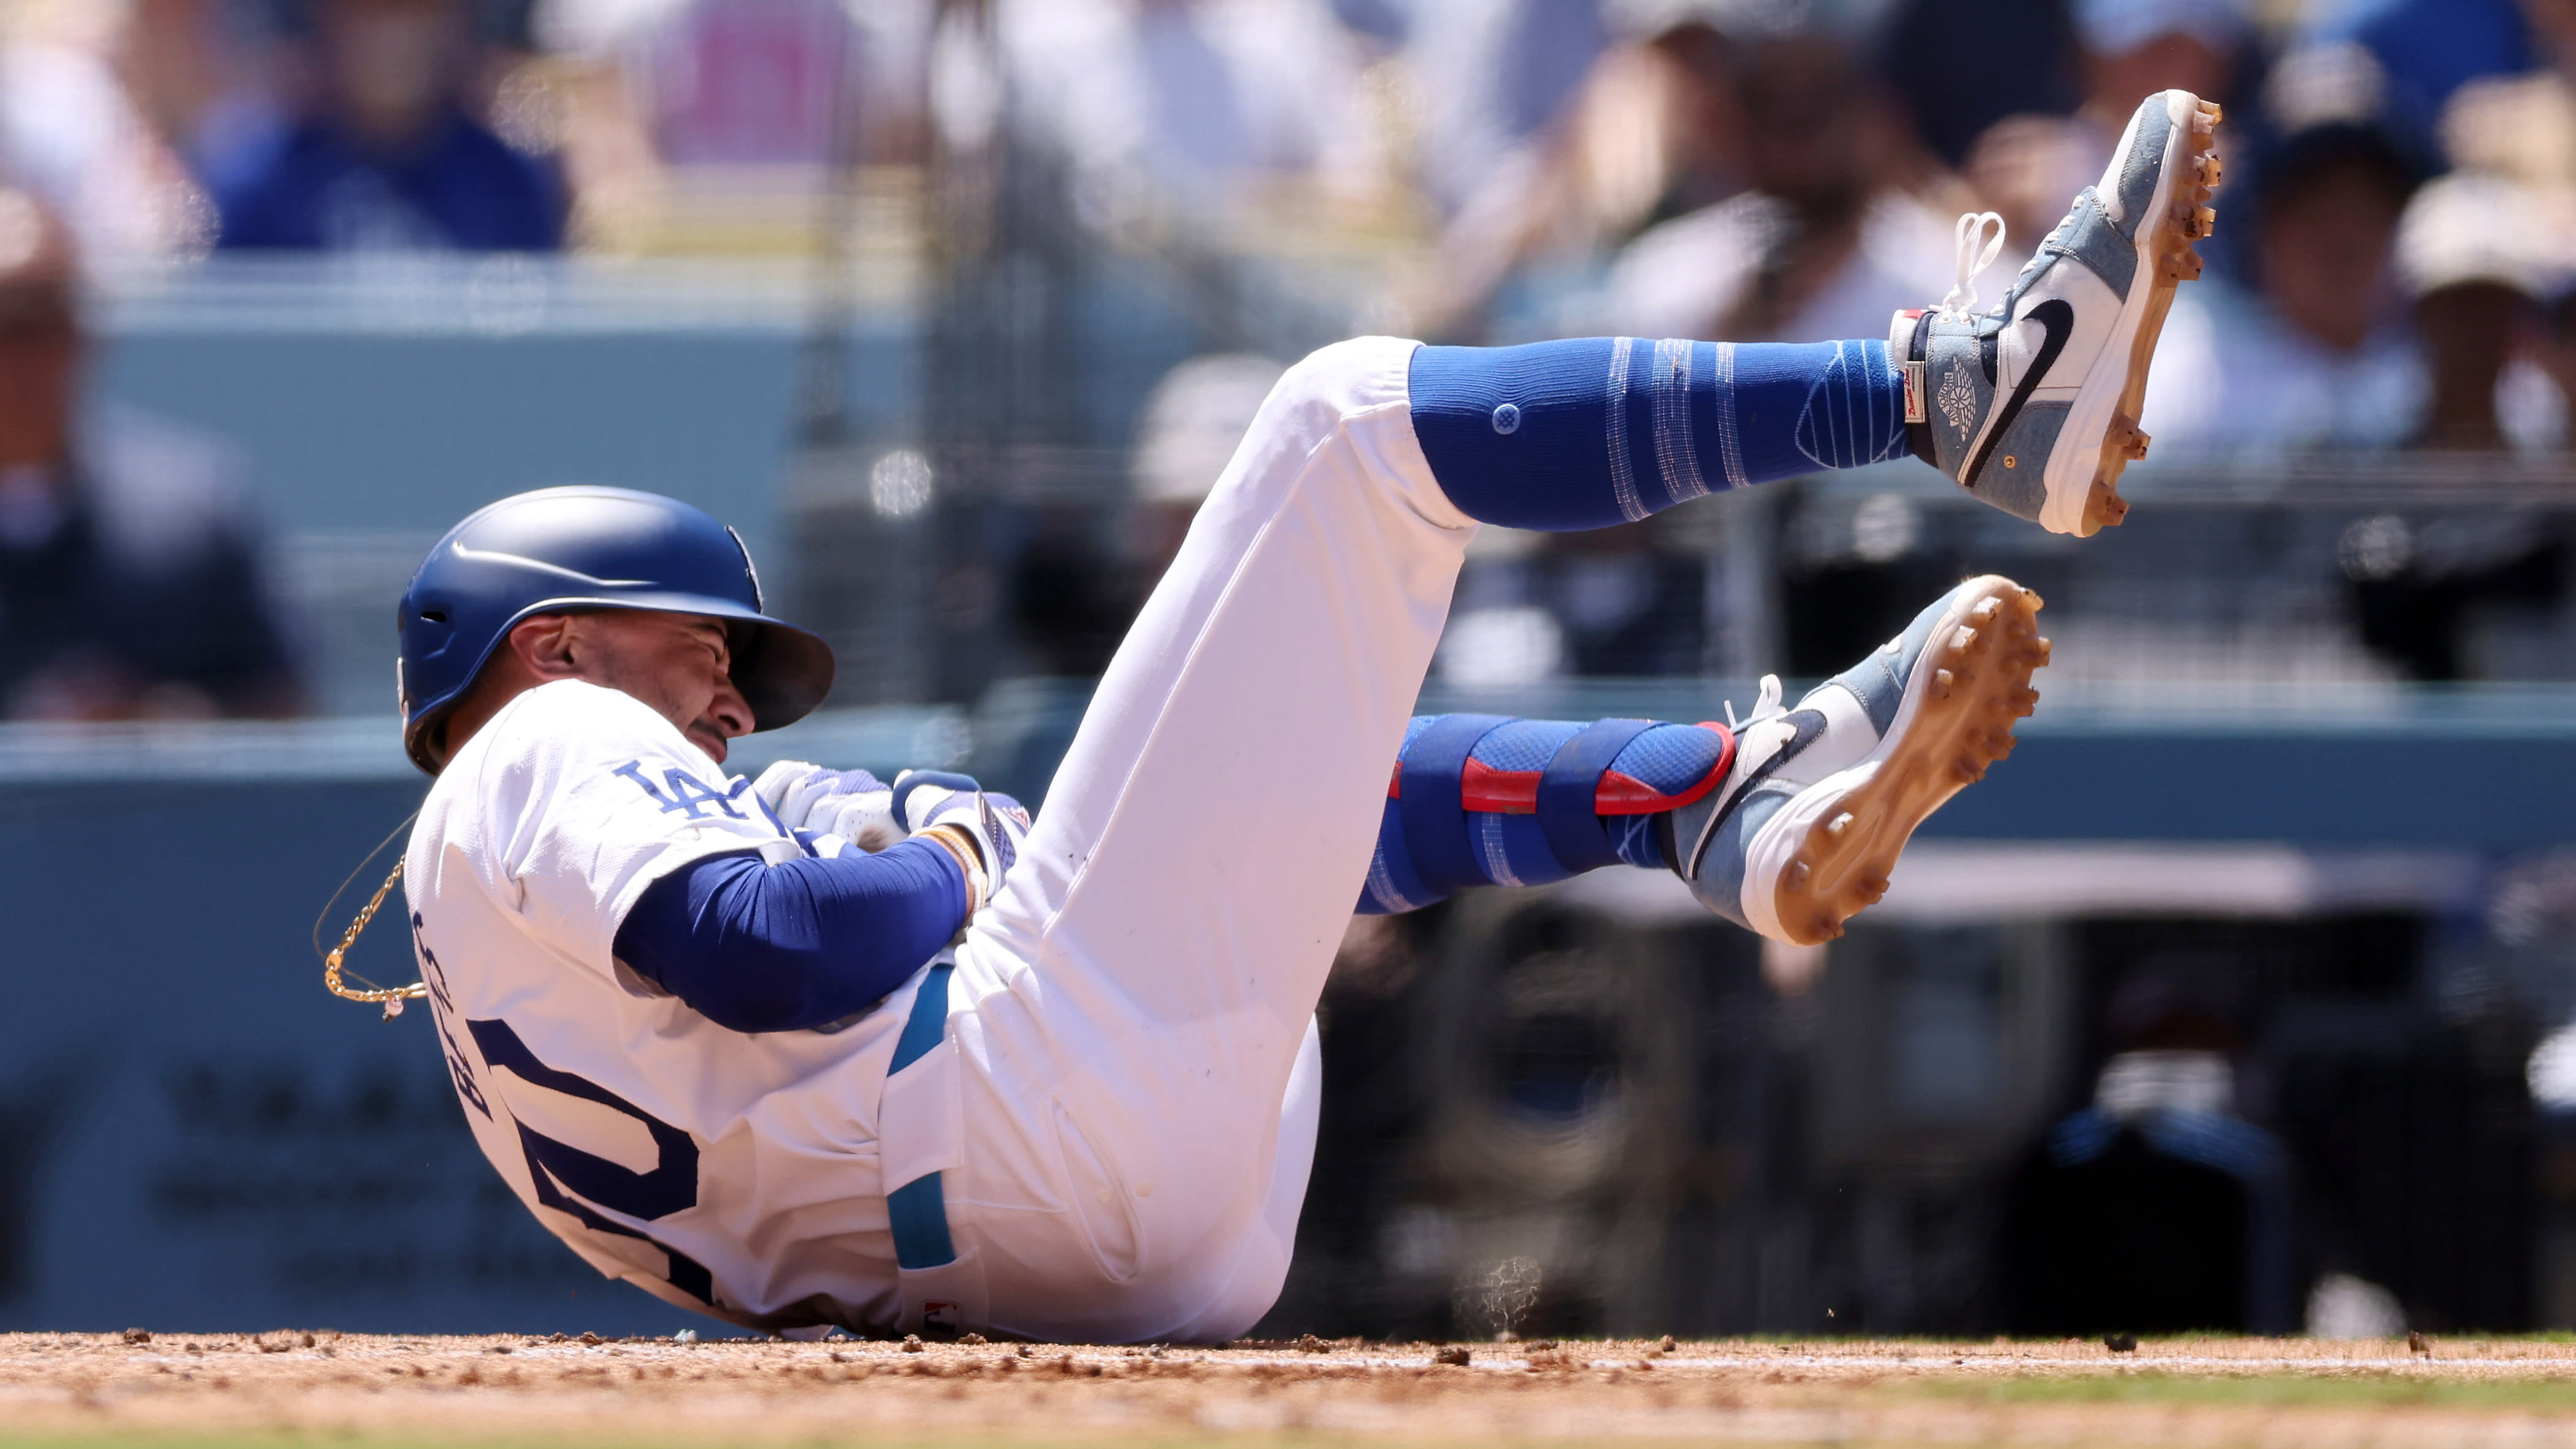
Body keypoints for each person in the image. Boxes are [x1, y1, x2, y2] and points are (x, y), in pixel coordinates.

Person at [384, 91, 2222, 1341]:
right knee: (1346, 426)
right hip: (1025, 1132)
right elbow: (770, 945)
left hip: (1055, 1255)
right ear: (550, 645)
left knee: (1297, 787)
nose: (728, 687)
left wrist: (955, 861)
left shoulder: (499, 978)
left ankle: (1706, 798)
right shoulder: (538, 746)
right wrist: (951, 861)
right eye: (696, 645)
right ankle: (1949, 392)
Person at [0, 186, 299, 718]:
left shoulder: (190, 514)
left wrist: (162, 724)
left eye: (33, 323)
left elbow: (286, 710)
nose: (13, 357)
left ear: (82, 333)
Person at [216, 0, 563, 252]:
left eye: (419, 11)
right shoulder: (259, 179)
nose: (393, 37)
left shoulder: (508, 179)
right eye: (368, 12)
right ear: (322, 19)